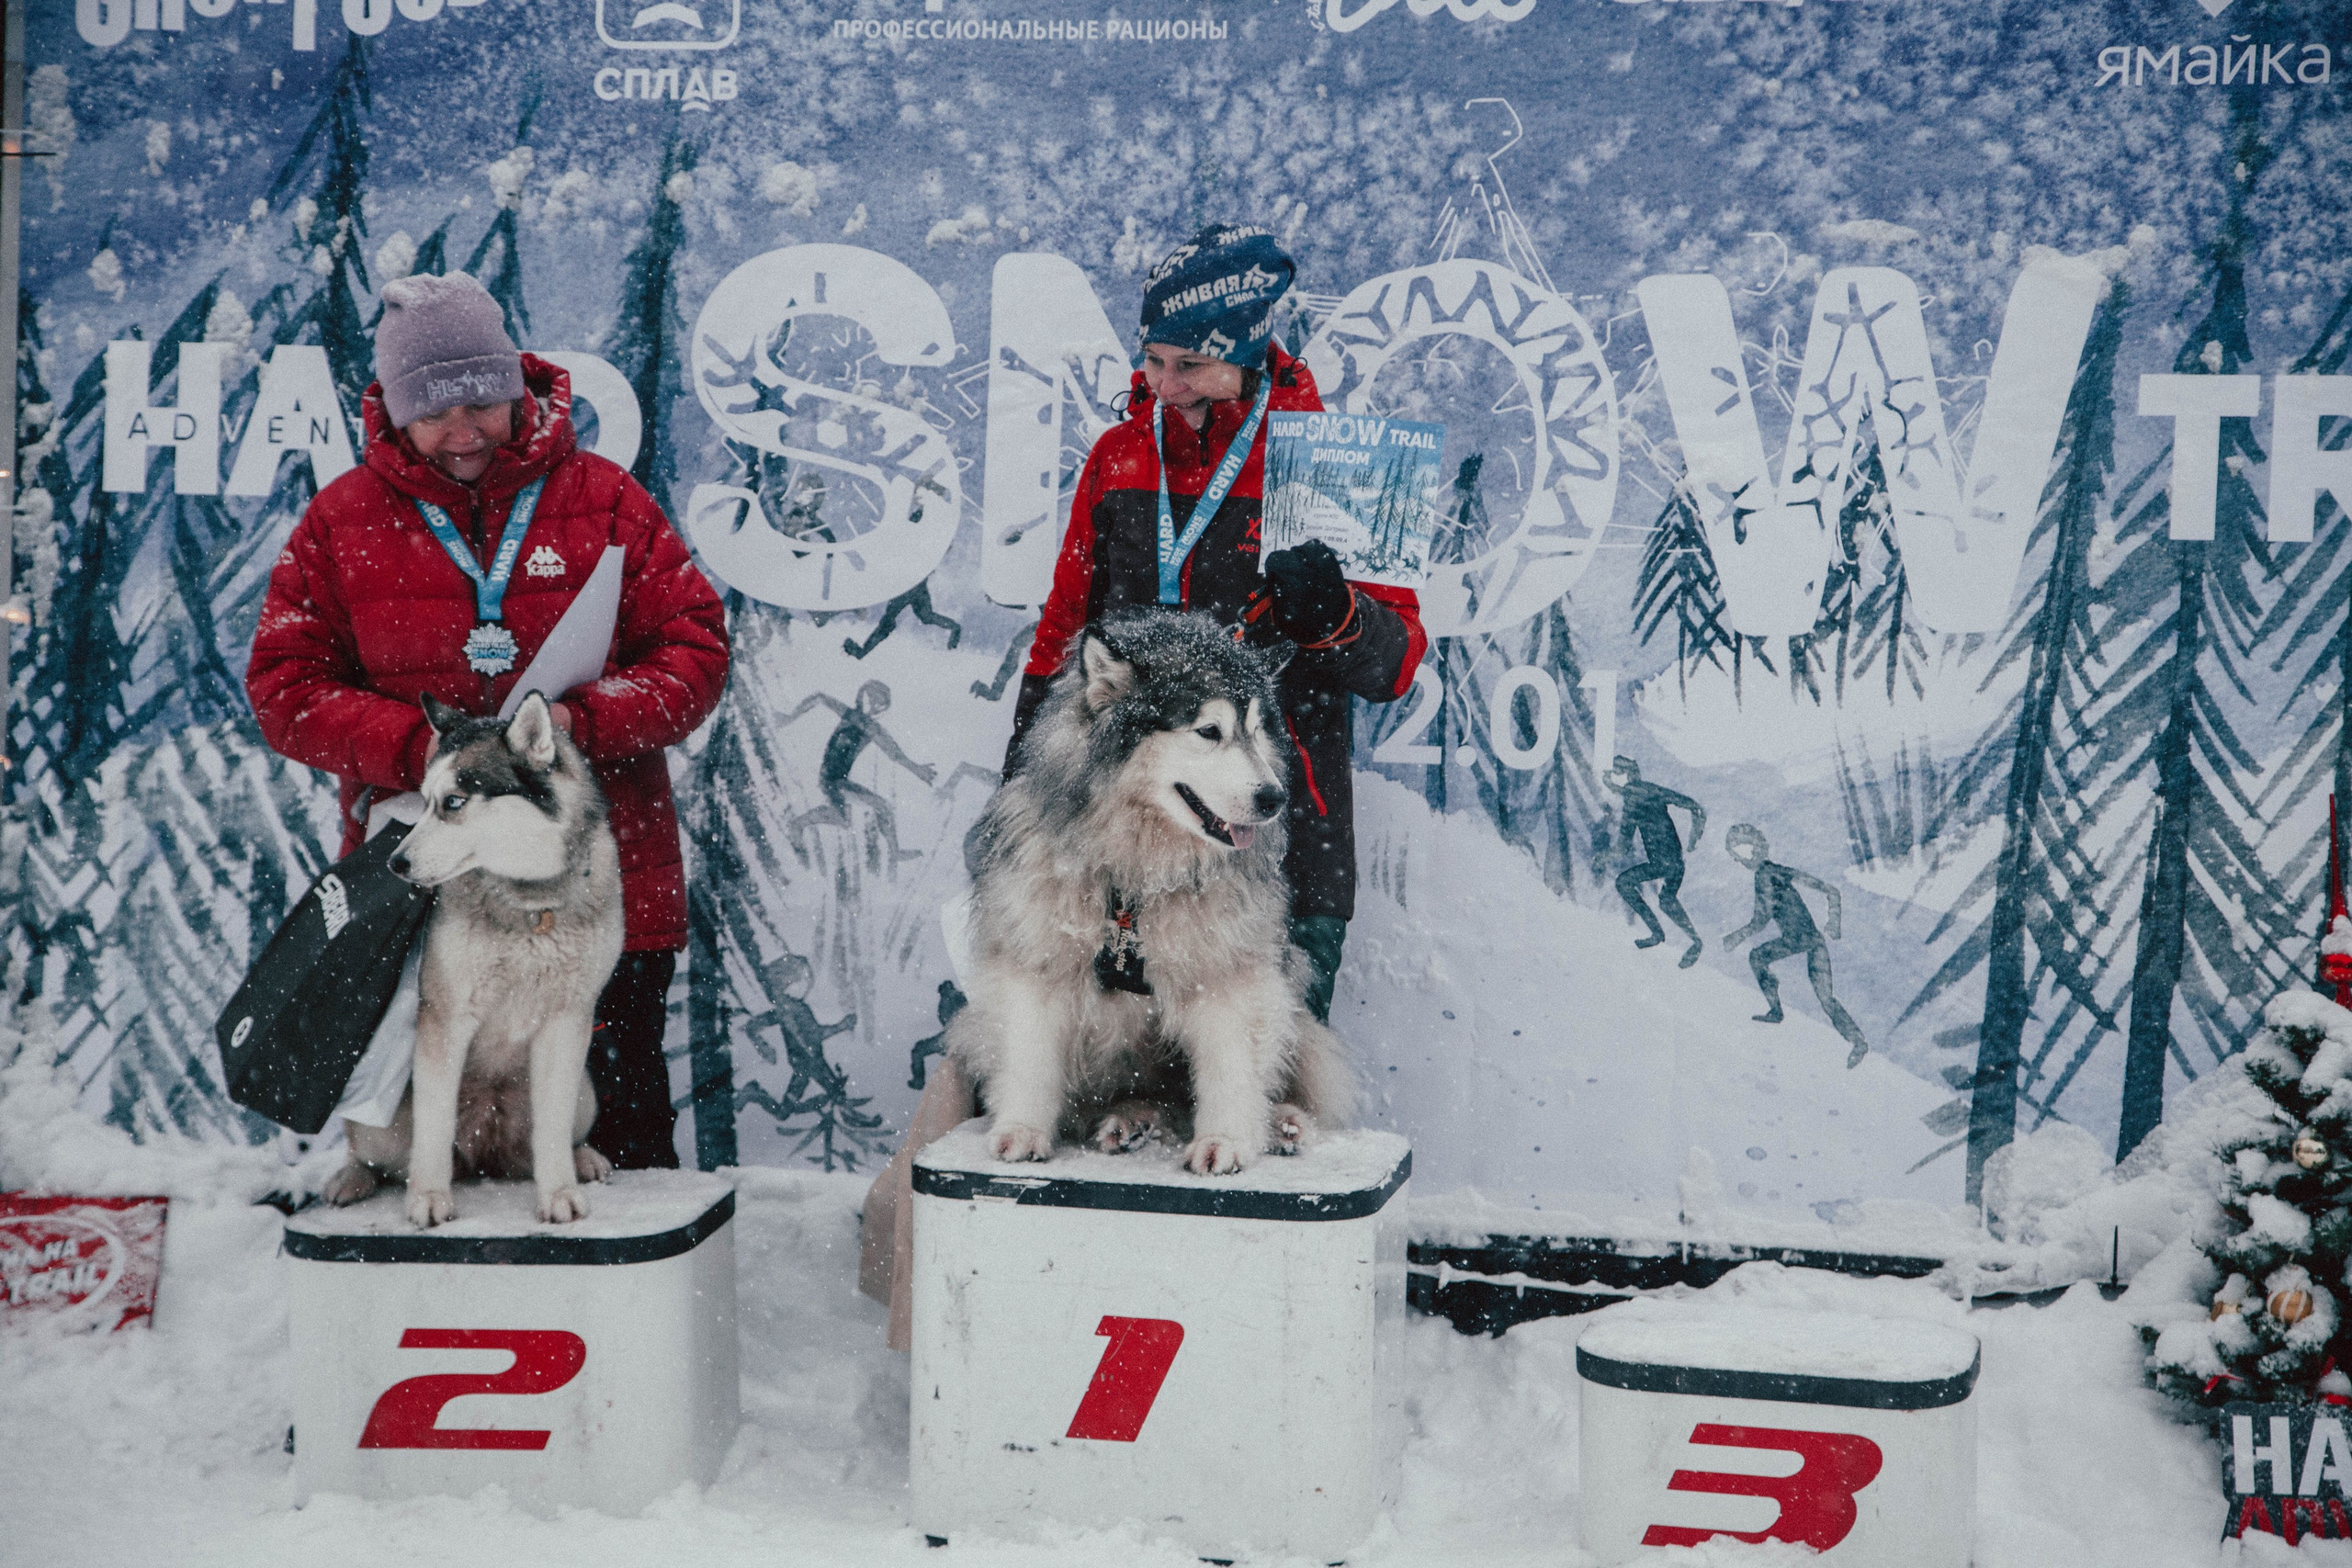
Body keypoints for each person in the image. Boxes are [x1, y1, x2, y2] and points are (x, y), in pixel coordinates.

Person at [858, 224, 1428, 1348]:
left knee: (1252, 1086)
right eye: (1152, 359)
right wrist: (1032, 789)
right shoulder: (1122, 456)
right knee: (1062, 1060)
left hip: (1279, 828)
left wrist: (1333, 615)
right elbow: (1064, 633)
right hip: (1111, 834)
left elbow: (1395, 662)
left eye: (1190, 364)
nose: (1162, 386)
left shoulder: (1335, 454)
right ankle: (1050, 1340)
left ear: (1251, 349)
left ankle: (1246, 1352)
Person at [246, 271, 730, 1169]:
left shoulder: (608, 501)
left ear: (517, 388)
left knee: (618, 1167)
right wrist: (421, 750)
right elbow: (284, 688)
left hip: (599, 890)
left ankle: (619, 1315)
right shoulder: (339, 520)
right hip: (425, 903)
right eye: (433, 410)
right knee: (425, 1160)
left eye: (481, 400)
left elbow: (696, 650)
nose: (462, 429)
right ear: (394, 413)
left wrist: (577, 730)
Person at [1721, 823, 1871, 1068]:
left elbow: (1761, 919)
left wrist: (1737, 936)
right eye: (1735, 853)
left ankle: (1776, 1008)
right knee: (1826, 998)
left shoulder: (1767, 875)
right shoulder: (1773, 872)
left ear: (1756, 848)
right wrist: (1833, 922)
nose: (1738, 859)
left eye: (1740, 852)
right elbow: (1830, 891)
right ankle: (1857, 1041)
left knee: (1758, 958)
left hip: (1801, 940)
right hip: (1810, 941)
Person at [1603, 755, 1707, 967]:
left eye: (1611, 776)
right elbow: (1695, 807)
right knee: (1667, 900)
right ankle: (1692, 940)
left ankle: (1657, 932)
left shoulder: (1633, 799)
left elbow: (1622, 848)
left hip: (1663, 864)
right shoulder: (1651, 791)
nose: (1608, 781)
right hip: (1676, 863)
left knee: (1624, 883)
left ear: (1623, 776)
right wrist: (1693, 839)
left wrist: (1602, 858)